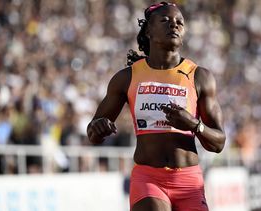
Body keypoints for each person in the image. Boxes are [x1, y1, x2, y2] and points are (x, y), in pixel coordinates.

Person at [87, 2, 226, 211]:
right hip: (148, 178)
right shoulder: (127, 77)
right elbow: (92, 134)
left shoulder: (200, 77)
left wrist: (195, 125)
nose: (174, 25)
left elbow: (219, 143)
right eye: (165, 20)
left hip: (189, 182)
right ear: (148, 31)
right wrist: (99, 127)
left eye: (180, 22)